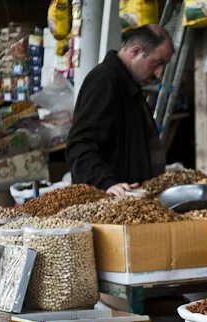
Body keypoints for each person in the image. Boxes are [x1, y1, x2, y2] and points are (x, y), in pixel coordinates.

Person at [66, 25, 174, 195]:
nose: (159, 74)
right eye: (156, 63)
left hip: (132, 199)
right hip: (111, 202)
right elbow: (80, 145)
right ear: (135, 52)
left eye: (164, 66)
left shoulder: (129, 86)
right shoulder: (104, 81)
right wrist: (106, 183)